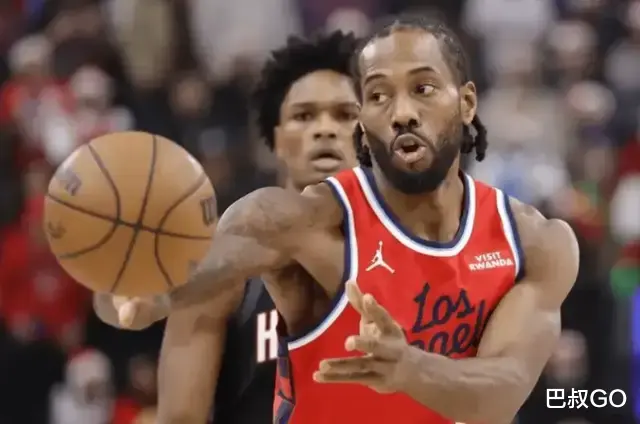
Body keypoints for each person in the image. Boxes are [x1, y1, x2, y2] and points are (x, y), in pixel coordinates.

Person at [97, 14, 578, 424]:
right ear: (364, 122)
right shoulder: (294, 224)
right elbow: (164, 287)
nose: (403, 112)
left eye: (423, 88)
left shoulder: (533, 242)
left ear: (467, 103)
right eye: (379, 96)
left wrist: (408, 369)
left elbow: (503, 392)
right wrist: (138, 288)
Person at [95, 31, 360, 424]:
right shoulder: (228, 258)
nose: (325, 129)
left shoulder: (411, 246)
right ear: (275, 140)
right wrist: (141, 293)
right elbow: (180, 417)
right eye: (304, 116)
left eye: (344, 115)